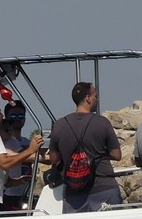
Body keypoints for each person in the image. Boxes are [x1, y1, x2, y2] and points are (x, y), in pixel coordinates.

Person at [48, 82, 124, 212]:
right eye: (95, 95)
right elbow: (117, 155)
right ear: (88, 98)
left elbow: (54, 158)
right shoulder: (102, 122)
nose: (97, 99)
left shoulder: (59, 125)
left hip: (73, 193)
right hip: (103, 188)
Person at [1, 102, 31, 211]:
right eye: (13, 116)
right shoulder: (6, 142)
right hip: (9, 194)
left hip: (26, 192)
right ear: (6, 118)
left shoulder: (27, 142)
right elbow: (29, 156)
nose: (17, 119)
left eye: (21, 116)